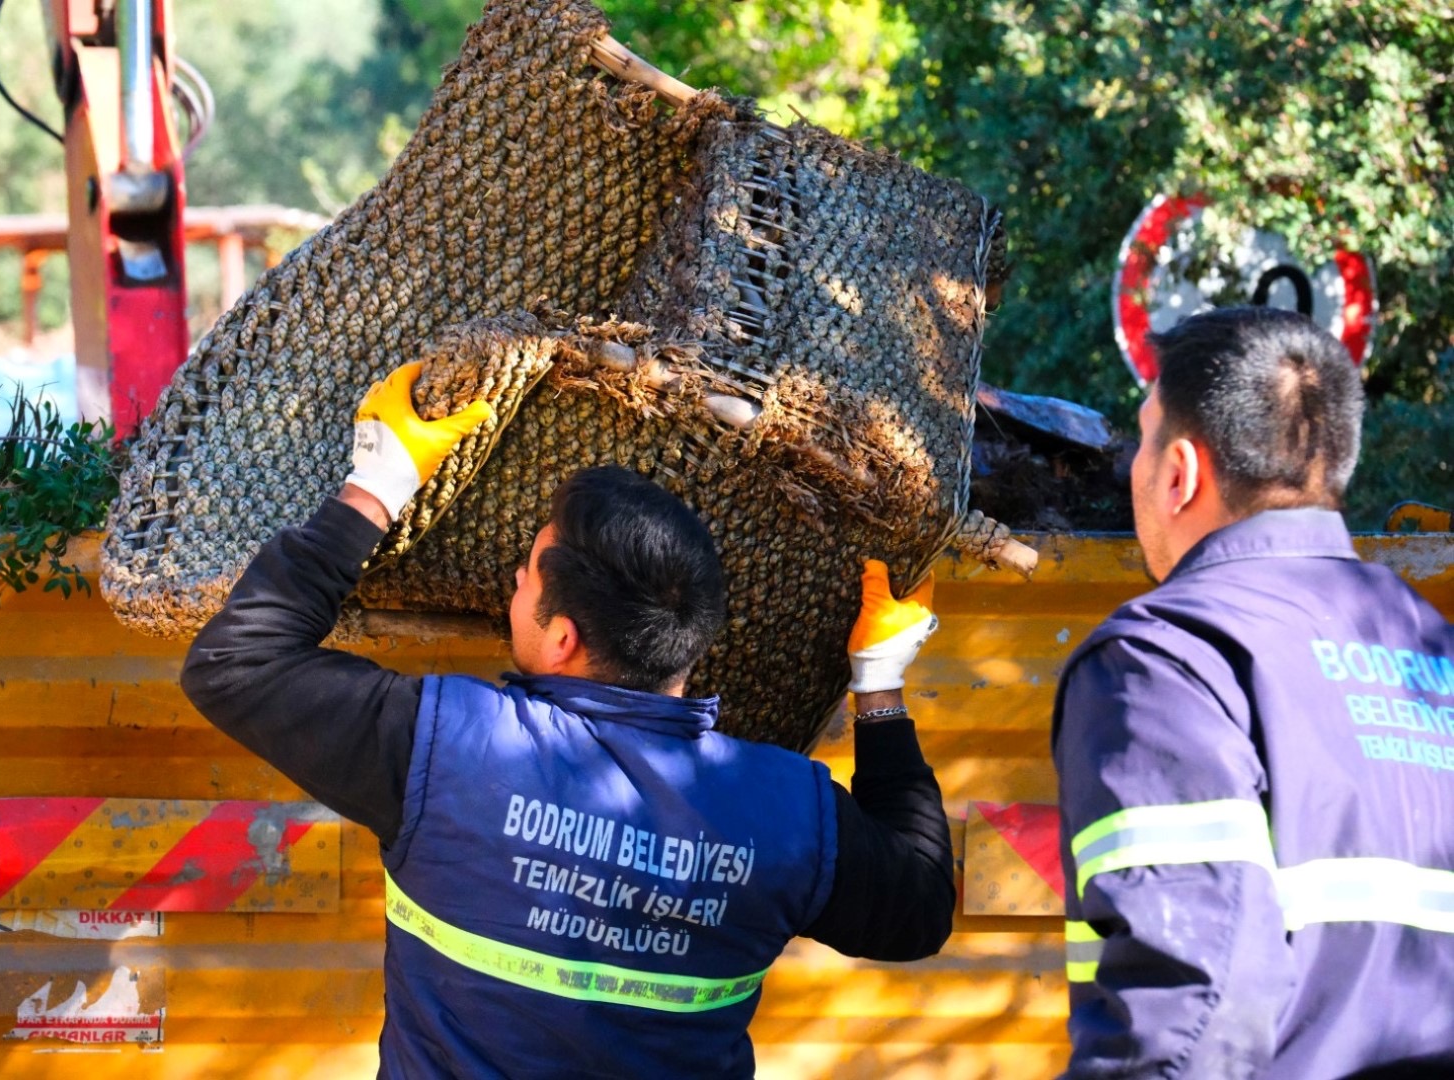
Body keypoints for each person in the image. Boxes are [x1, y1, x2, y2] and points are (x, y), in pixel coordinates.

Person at [181, 361, 957, 1077]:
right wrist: (879, 687)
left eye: (526, 573)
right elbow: (919, 911)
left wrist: (377, 485)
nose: (515, 579)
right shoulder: (791, 812)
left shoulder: (450, 750)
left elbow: (235, 664)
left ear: (561, 638)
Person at [1053, 306, 1454, 1078]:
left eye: (1143, 439)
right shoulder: (1432, 650)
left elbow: (1192, 1014)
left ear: (1180, 473)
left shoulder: (1165, 662)